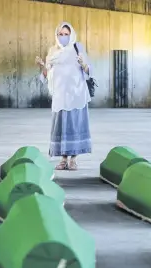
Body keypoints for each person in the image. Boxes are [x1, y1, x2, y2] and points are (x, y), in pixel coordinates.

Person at [35, 22, 92, 171]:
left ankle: (73, 159)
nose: (63, 37)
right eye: (60, 34)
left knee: (74, 125)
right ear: (56, 35)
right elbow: (47, 75)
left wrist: (83, 63)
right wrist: (42, 66)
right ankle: (63, 159)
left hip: (76, 94)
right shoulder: (53, 51)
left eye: (66, 34)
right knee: (61, 127)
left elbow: (88, 70)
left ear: (71, 34)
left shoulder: (78, 48)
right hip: (60, 95)